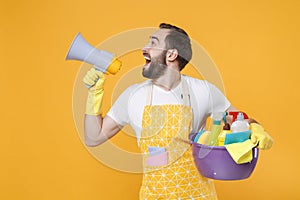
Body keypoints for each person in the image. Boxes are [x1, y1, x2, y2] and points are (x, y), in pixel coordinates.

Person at [82, 23, 273, 199]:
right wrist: (94, 95)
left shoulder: (203, 91)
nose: (144, 48)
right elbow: (93, 137)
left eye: (153, 43)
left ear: (171, 54)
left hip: (198, 196)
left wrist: (253, 127)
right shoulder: (133, 96)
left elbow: (238, 119)